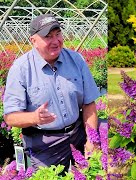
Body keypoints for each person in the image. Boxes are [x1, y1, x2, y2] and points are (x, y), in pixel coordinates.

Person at [3, 14, 100, 172]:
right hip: (44, 144)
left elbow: (88, 103)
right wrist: (35, 117)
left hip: (78, 134)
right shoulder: (20, 69)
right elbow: (10, 116)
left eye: (58, 34)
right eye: (48, 36)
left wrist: (92, 140)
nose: (56, 41)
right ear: (33, 41)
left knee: (92, 171)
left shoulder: (77, 60)